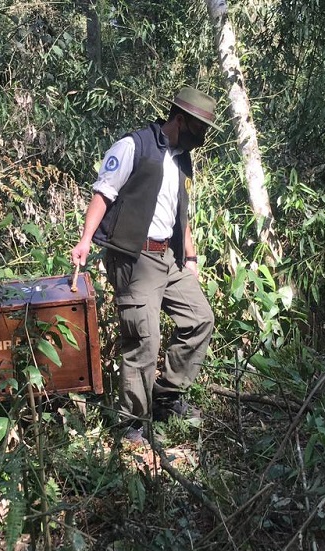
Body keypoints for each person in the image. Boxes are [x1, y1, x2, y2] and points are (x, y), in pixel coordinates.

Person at [70, 87, 217, 445]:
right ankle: (131, 423)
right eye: (198, 130)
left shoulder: (182, 159)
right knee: (143, 340)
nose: (201, 138)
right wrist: (85, 241)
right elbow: (103, 193)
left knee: (201, 319)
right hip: (134, 257)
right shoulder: (134, 146)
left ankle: (167, 395)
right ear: (179, 120)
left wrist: (191, 257)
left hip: (170, 257)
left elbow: (182, 214)